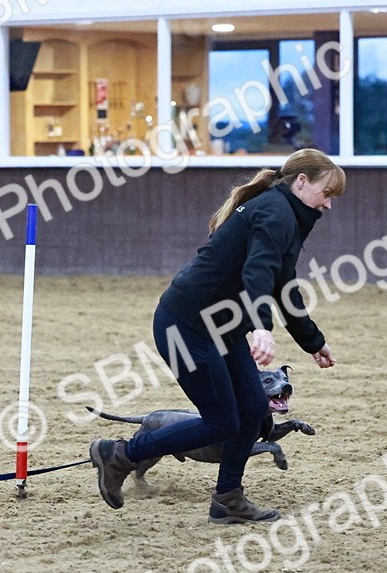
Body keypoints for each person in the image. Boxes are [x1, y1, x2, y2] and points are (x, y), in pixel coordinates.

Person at [90, 147, 345, 524]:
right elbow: (257, 274)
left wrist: (312, 341)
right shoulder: (276, 212)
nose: (328, 204)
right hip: (185, 327)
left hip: (219, 329)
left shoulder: (286, 215)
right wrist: (260, 326)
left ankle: (227, 498)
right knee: (222, 421)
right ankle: (120, 454)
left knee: (254, 410)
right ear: (302, 181)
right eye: (327, 193)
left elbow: (284, 285)